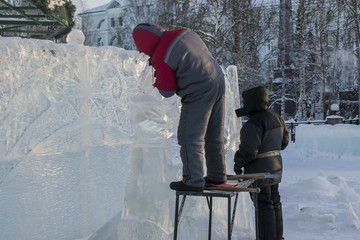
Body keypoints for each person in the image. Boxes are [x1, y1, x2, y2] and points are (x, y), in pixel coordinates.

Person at [132, 23, 227, 192]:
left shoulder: (160, 55)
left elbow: (167, 91)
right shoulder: (184, 32)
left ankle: (193, 180)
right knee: (214, 133)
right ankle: (217, 175)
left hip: (198, 89)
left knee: (189, 136)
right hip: (218, 79)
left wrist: (156, 79)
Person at [233, 86, 289, 240]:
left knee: (264, 205)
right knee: (275, 202)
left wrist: (238, 163)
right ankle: (278, 237)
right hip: (276, 168)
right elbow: (284, 142)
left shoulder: (253, 123)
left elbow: (249, 150)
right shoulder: (277, 117)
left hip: (259, 171)